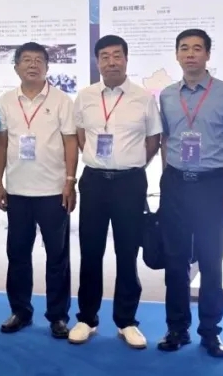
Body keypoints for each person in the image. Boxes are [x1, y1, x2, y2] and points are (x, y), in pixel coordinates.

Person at [157, 28, 223, 357]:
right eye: (184, 48)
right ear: (177, 55)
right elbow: (166, 139)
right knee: (175, 260)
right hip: (176, 184)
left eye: (197, 48)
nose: (191, 54)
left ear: (208, 54)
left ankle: (210, 331)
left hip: (211, 184)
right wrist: (166, 176)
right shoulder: (167, 95)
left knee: (211, 260)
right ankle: (177, 328)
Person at [69, 35, 162, 349]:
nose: (111, 62)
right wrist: (101, 161)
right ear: (97, 62)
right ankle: (87, 318)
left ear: (126, 59)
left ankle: (126, 321)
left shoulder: (143, 97)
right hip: (94, 181)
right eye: (105, 56)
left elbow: (153, 140)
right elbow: (81, 135)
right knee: (90, 251)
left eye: (117, 55)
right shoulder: (85, 96)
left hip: (129, 183)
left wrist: (130, 163)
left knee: (127, 252)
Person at [0, 42, 79, 339]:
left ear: (47, 66)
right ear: (16, 66)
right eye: (26, 60)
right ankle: (20, 311)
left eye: (38, 60)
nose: (32, 65)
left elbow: (71, 141)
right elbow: (1, 144)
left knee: (57, 257)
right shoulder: (7, 101)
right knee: (18, 254)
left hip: (53, 190)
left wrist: (70, 181)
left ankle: (58, 316)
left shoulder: (61, 100)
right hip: (18, 191)